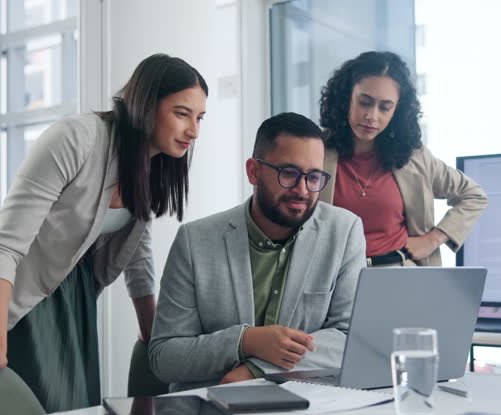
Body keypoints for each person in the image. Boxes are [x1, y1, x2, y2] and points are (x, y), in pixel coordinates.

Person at [0, 54, 208, 412]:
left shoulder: (153, 164)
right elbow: (4, 243)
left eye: (199, 118)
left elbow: (136, 248)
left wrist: (153, 332)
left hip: (71, 298)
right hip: (8, 293)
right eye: (182, 114)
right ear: (145, 106)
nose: (193, 131)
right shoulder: (77, 138)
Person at [149, 112, 367, 392]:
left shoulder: (345, 231)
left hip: (308, 409)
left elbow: (349, 339)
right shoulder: (195, 240)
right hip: (212, 408)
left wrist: (256, 369)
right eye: (288, 173)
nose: (302, 190)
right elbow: (164, 358)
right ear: (253, 171)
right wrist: (245, 341)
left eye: (314, 177)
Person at [318, 51, 487, 267]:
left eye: (385, 107)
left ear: (397, 110)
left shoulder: (415, 157)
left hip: (401, 276)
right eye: (365, 103)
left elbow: (474, 195)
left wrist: (433, 239)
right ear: (345, 99)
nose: (372, 116)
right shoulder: (316, 153)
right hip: (335, 278)